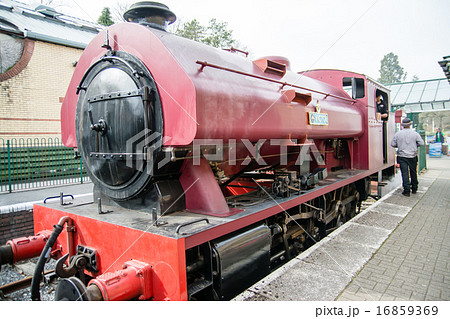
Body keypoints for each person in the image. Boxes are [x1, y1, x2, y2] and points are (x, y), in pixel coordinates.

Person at [391, 117, 424, 196]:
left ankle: (406, 190)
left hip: (402, 156)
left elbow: (392, 144)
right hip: (413, 156)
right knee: (413, 172)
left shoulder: (398, 134)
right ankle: (414, 188)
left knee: (404, 173)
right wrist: (415, 146)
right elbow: (422, 143)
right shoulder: (415, 134)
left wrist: (399, 145)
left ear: (402, 125)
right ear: (410, 125)